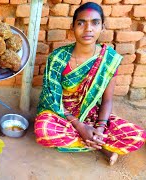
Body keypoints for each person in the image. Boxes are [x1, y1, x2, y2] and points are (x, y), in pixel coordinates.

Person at [34, 2, 146, 166]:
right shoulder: (57, 58)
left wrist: (99, 129)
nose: (88, 28)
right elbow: (51, 99)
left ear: (103, 27)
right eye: (81, 23)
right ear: (72, 27)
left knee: (137, 136)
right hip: (62, 114)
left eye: (95, 22)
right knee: (43, 130)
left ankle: (93, 139)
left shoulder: (109, 59)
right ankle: (101, 146)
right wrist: (80, 126)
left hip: (92, 114)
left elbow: (107, 101)